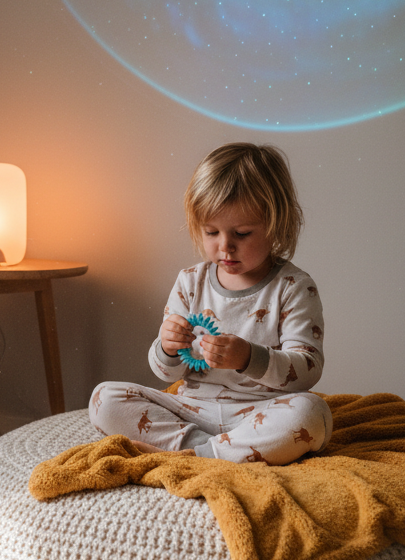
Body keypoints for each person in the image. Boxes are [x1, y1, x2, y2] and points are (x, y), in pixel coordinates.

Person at [89, 142, 332, 465]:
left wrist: (249, 357)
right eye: (211, 232)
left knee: (312, 414)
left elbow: (307, 372)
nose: (225, 246)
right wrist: (167, 347)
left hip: (259, 412)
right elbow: (164, 372)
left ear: (276, 224)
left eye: (242, 233)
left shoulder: (293, 287)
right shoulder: (191, 281)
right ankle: (205, 448)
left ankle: (197, 455)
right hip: (192, 409)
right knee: (104, 398)